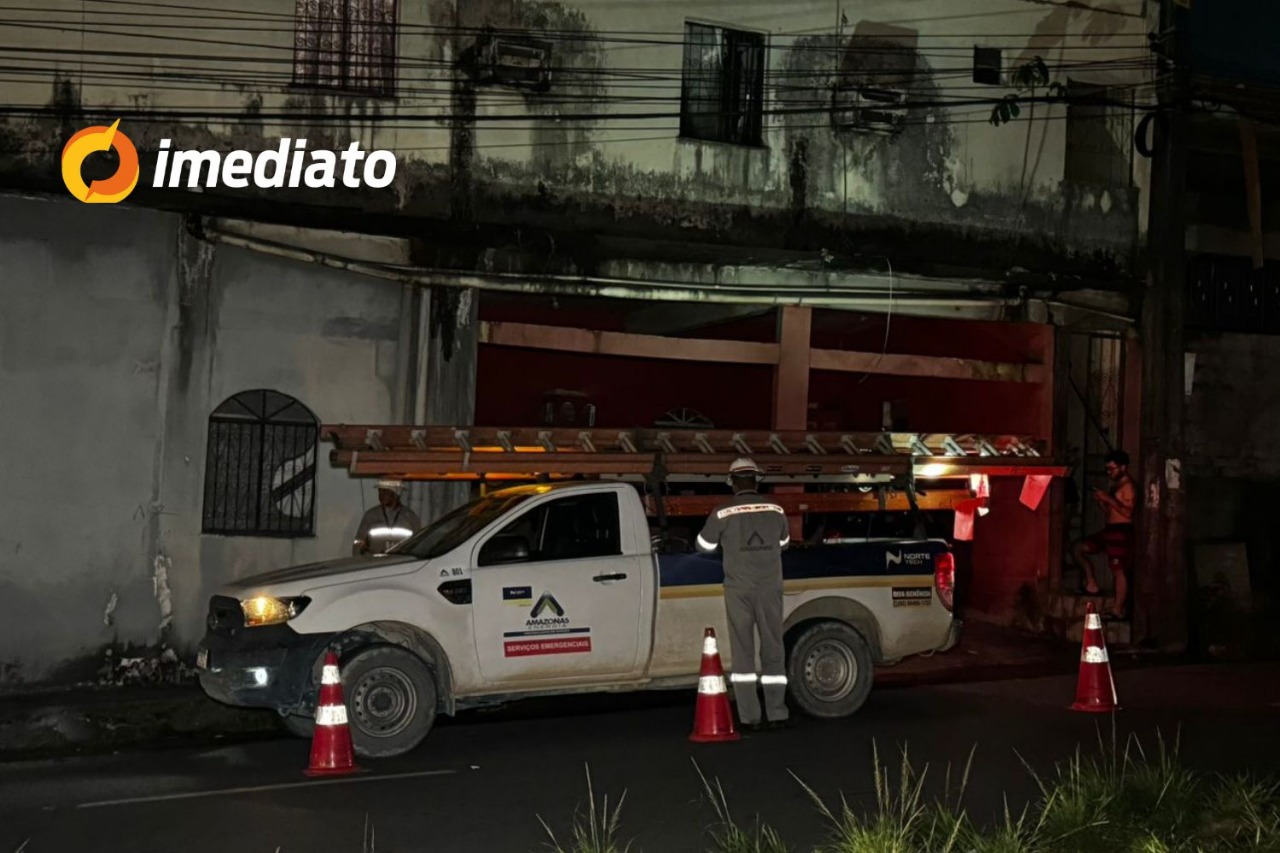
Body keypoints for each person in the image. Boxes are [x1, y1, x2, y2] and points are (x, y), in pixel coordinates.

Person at [696, 457, 792, 731]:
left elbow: (703, 545)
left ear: (732, 482)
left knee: (743, 651)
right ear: (756, 480)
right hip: (770, 588)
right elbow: (784, 543)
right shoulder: (775, 509)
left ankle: (750, 717)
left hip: (739, 590)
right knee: (773, 647)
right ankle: (777, 713)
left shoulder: (722, 513)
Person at [1071, 449, 1136, 620]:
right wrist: (1102, 502)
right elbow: (1110, 511)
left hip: (1121, 531)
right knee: (1078, 548)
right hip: (1109, 530)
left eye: (1112, 469)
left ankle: (1118, 608)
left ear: (1123, 467)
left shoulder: (1128, 487)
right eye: (1107, 469)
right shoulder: (1115, 485)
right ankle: (1091, 583)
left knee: (1119, 569)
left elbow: (1128, 513)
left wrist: (1108, 499)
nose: (1109, 472)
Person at [352, 479, 422, 556]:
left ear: (396, 494)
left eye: (385, 492)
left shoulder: (410, 517)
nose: (381, 495)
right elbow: (358, 543)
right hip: (375, 561)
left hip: (401, 561)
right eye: (380, 491)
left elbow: (419, 544)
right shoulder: (370, 516)